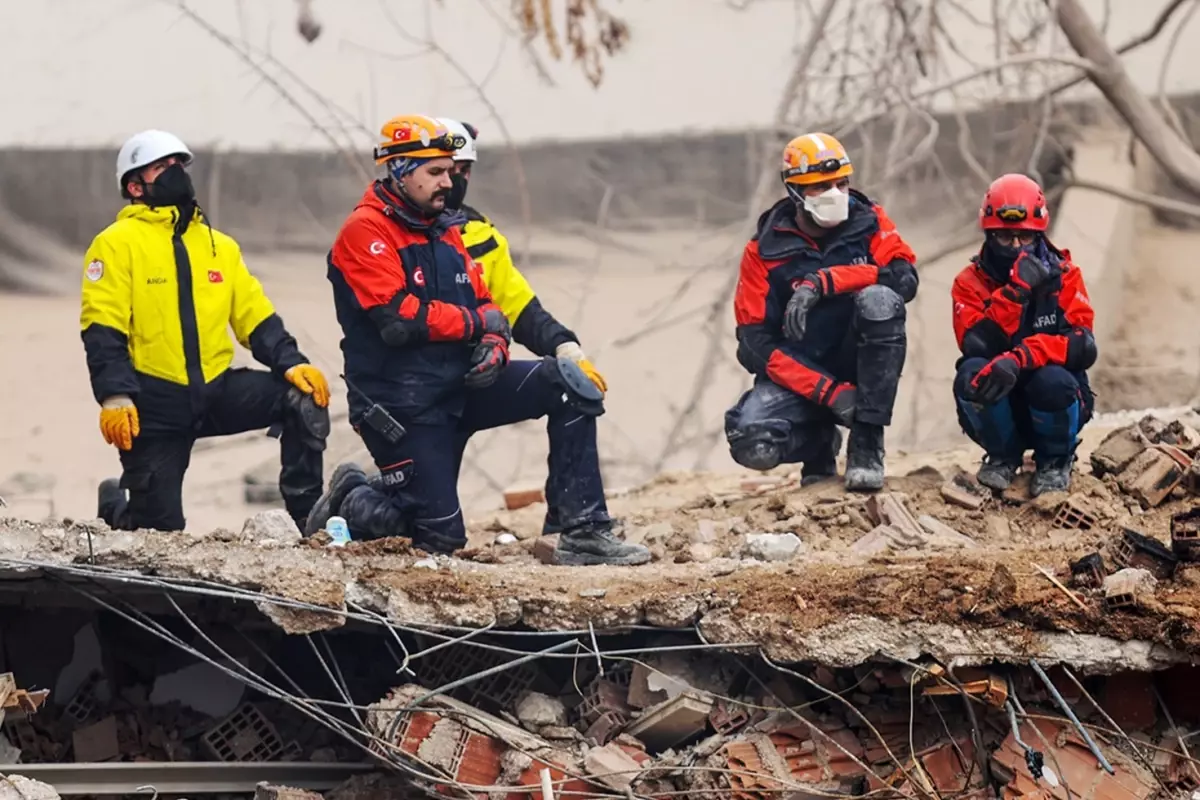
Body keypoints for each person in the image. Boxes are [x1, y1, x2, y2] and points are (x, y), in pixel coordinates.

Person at [308, 114, 649, 566]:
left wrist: (496, 345)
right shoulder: (364, 233)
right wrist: (477, 324)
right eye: (436, 172)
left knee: (569, 384)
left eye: (452, 171)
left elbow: (492, 307)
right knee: (439, 539)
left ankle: (582, 531)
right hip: (404, 403)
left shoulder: (446, 229)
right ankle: (352, 495)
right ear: (399, 170)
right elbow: (399, 319)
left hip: (464, 383)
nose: (449, 182)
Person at [82, 129, 331, 533]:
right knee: (158, 534)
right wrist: (115, 395)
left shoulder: (220, 246)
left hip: (217, 389)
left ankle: (307, 519)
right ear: (134, 185)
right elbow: (101, 327)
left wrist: (292, 362)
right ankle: (116, 507)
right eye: (161, 167)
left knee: (300, 398)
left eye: (179, 165)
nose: (175, 173)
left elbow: (254, 317)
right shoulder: (114, 245)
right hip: (155, 401)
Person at [724, 132, 918, 491]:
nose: (835, 194)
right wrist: (829, 392)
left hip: (858, 359)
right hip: (800, 375)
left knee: (880, 301)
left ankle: (867, 443)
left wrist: (827, 281)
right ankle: (818, 445)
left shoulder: (870, 222)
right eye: (821, 186)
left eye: (841, 183)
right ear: (794, 190)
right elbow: (754, 344)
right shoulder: (763, 251)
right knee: (751, 440)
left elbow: (904, 279)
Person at [951, 173, 1096, 496]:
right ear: (989, 234)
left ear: (1039, 234)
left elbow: (1083, 347)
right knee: (971, 374)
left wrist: (1021, 357)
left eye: (1025, 237)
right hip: (1001, 403)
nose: (1016, 246)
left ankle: (1056, 461)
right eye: (1005, 238)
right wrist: (1016, 293)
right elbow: (975, 343)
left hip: (1056, 399)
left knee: (1053, 380)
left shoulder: (1066, 276)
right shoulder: (968, 282)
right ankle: (1002, 456)